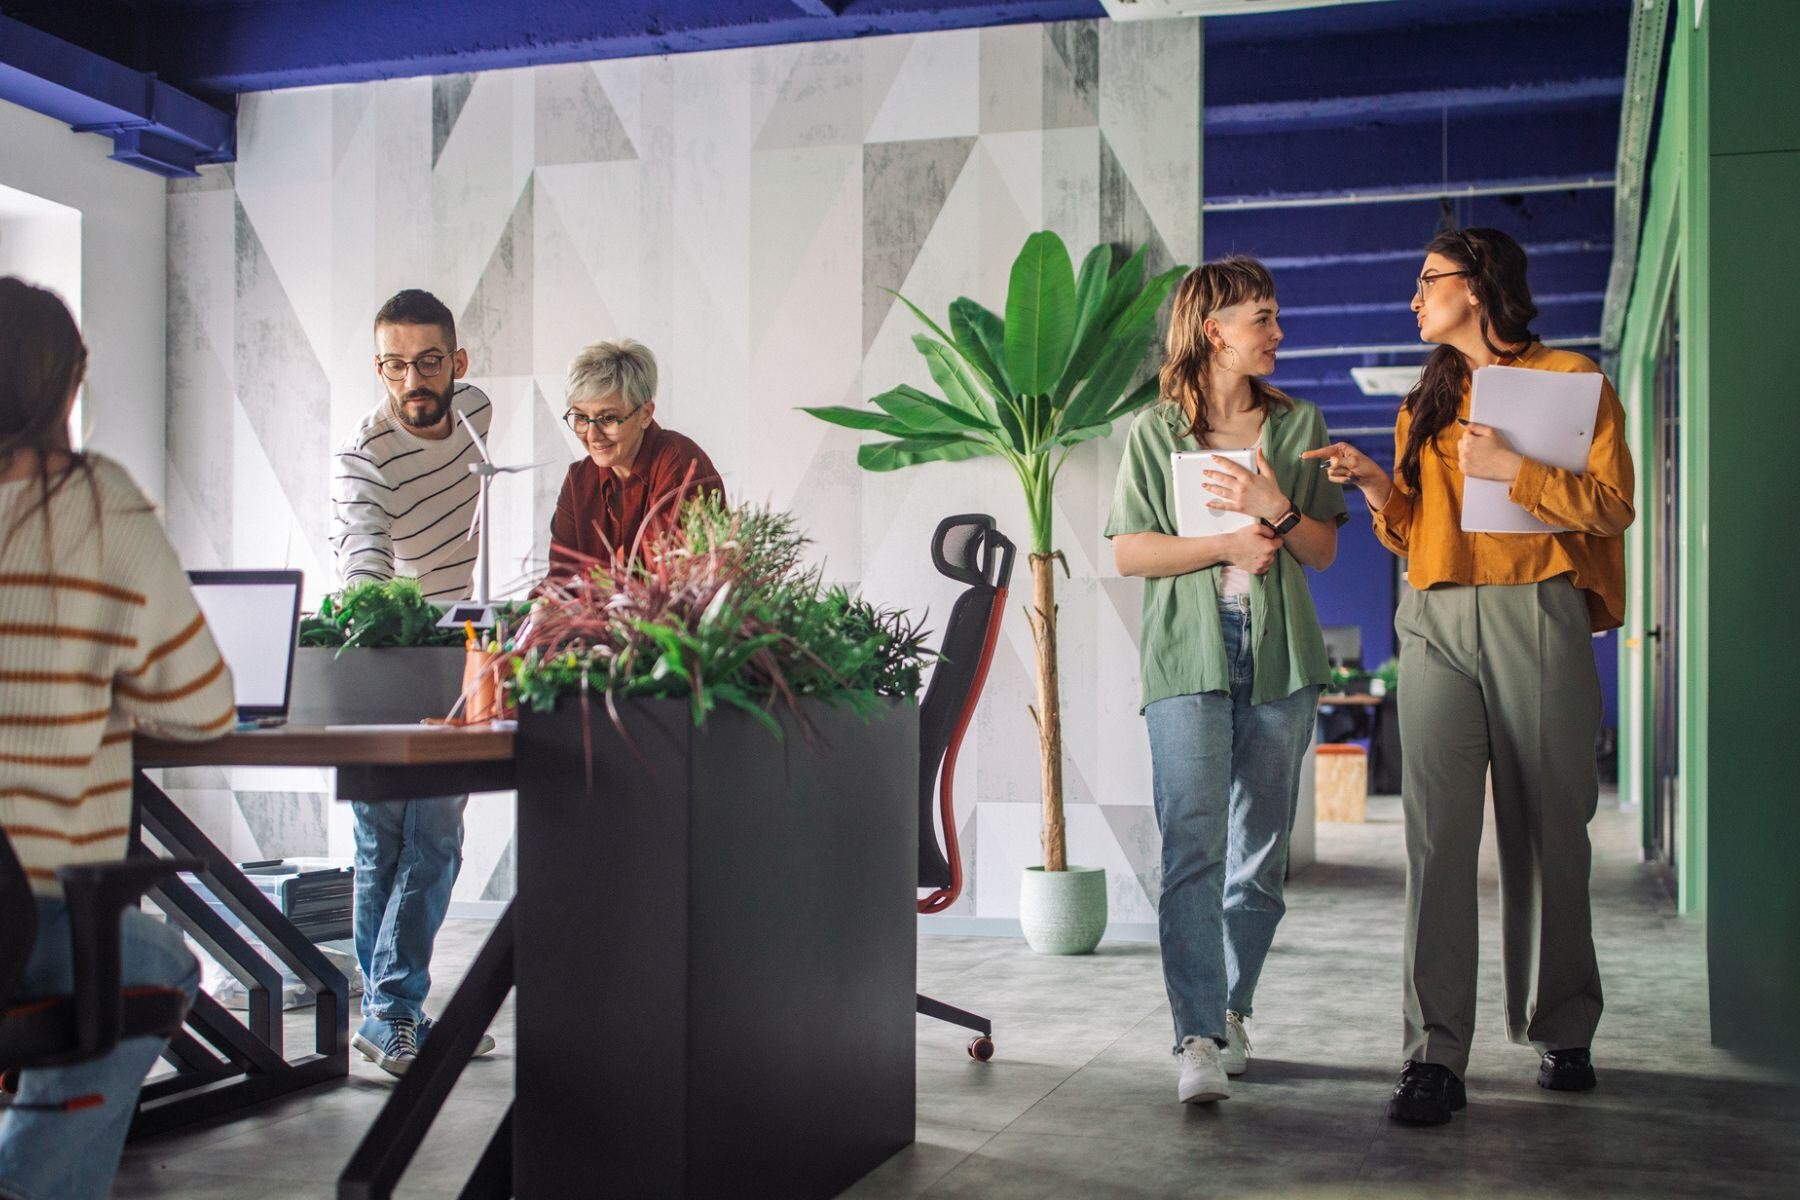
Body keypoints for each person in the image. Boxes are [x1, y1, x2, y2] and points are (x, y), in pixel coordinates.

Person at [1304, 227, 1633, 1126]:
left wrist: (1515, 470)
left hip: (1538, 610)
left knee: (1551, 829)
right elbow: (1419, 533)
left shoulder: (1571, 381)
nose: (1415, 298)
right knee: (1435, 840)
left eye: (1429, 280)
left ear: (1478, 286)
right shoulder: (1425, 403)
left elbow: (1613, 507)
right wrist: (1378, 487)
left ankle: (1564, 1028)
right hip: (1435, 618)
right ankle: (1433, 1055)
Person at [0, 278, 238, 1200]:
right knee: (159, 961)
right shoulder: (95, 503)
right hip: (27, 917)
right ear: (72, 381)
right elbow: (204, 706)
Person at [1106, 257, 1346, 1105]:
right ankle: (1198, 1036)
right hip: (1187, 658)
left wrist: (1273, 506)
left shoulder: (1298, 424)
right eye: (1263, 318)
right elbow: (1130, 552)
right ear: (1215, 331)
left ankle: (1234, 1009)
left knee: (1261, 853)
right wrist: (1227, 544)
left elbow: (1321, 550)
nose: (1278, 332)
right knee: (1193, 847)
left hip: (1280, 658)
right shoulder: (1153, 433)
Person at [330, 288, 496, 1075]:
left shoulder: (477, 414)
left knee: (432, 839)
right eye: (394, 365)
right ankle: (394, 1011)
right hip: (385, 651)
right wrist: (376, 614)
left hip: (456, 652)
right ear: (379, 368)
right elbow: (361, 557)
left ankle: (391, 1012)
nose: (412, 381)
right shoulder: (363, 455)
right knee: (386, 844)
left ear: (457, 362)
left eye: (428, 362)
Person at [548, 339, 722, 573]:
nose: (592, 435)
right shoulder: (579, 479)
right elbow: (560, 579)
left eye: (608, 418)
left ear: (645, 414)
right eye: (580, 417)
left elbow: (667, 581)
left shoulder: (679, 463)